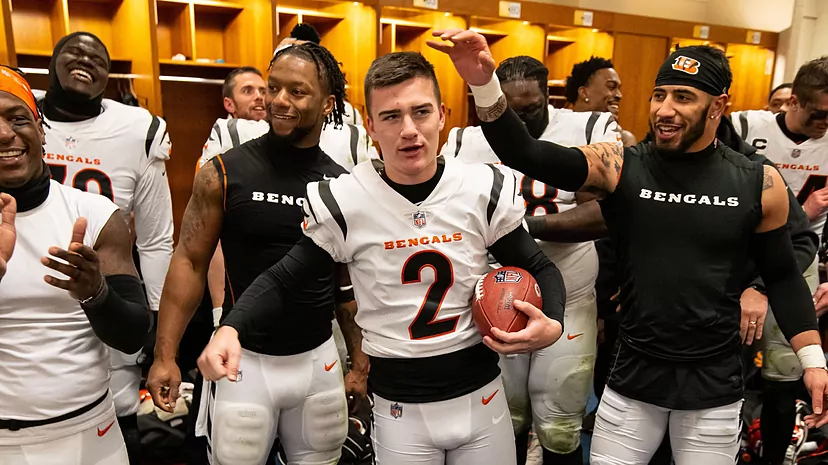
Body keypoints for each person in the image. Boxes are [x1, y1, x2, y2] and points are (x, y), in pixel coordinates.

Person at [429, 30, 828, 464]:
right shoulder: (621, 164)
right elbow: (525, 152)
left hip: (714, 384)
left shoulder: (758, 181)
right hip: (632, 379)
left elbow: (784, 275)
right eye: (659, 95)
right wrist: (482, 82)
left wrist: (812, 359)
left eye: (683, 97)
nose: (665, 109)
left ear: (718, 106)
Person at [198, 51, 567, 465]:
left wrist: (553, 322)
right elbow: (284, 278)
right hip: (400, 410)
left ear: (442, 115)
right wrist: (231, 327)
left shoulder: (480, 187)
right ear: (370, 126)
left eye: (421, 112)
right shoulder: (348, 198)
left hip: (481, 397)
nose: (409, 130)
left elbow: (541, 267)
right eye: (391, 117)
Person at [148, 42, 364, 465]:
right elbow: (189, 261)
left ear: (327, 104)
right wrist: (164, 356)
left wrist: (358, 359)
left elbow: (345, 284)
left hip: (317, 359)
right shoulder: (223, 172)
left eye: (297, 92)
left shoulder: (341, 185)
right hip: (243, 361)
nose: (278, 101)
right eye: (273, 88)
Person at [441, 55, 618, 465]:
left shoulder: (587, 128)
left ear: (548, 98)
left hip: (569, 296)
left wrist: (517, 231)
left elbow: (603, 214)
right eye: (509, 111)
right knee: (504, 420)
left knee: (559, 427)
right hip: (493, 302)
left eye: (531, 110)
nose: (518, 124)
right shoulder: (463, 141)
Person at [0, 66, 151, 465]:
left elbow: (133, 333)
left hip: (90, 435)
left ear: (40, 129)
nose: (4, 134)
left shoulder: (94, 212)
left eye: (17, 119)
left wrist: (95, 293)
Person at [37, 31, 173, 464]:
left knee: (113, 414)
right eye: (73, 51)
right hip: (26, 285)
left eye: (97, 56)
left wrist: (154, 319)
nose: (84, 60)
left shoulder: (137, 130)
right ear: (51, 61)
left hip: (107, 292)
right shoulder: (17, 116)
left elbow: (155, 238)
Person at [731, 57, 828, 465]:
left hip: (800, 261)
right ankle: (726, 447)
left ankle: (773, 457)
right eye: (819, 113)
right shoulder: (744, 127)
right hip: (739, 259)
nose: (826, 122)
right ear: (792, 102)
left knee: (784, 377)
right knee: (730, 366)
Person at [564, 57, 636, 146]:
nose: (619, 95)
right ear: (584, 93)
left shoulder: (622, 139)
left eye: (619, 89)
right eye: (611, 87)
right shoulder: (558, 129)